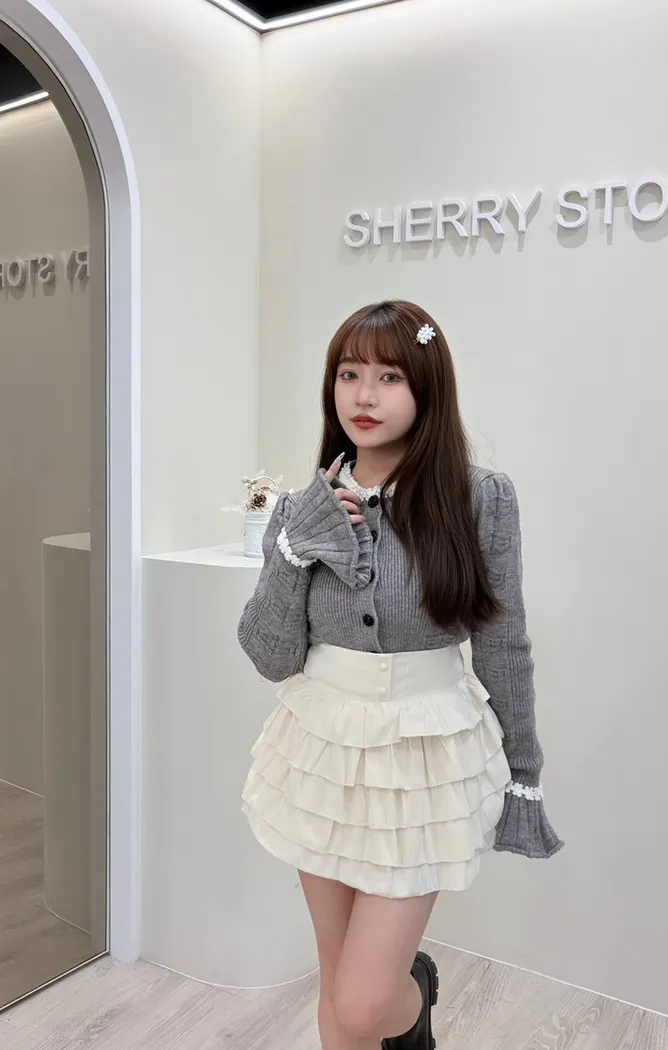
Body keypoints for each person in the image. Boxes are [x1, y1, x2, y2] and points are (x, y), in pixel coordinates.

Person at [237, 300, 563, 1050]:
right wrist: (293, 549)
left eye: (389, 377)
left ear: (426, 388)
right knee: (338, 985)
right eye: (349, 374)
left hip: (424, 757)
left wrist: (524, 771)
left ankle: (414, 997)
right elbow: (269, 655)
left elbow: (504, 642)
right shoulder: (300, 509)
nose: (364, 396)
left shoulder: (480, 498)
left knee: (363, 1003)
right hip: (320, 748)